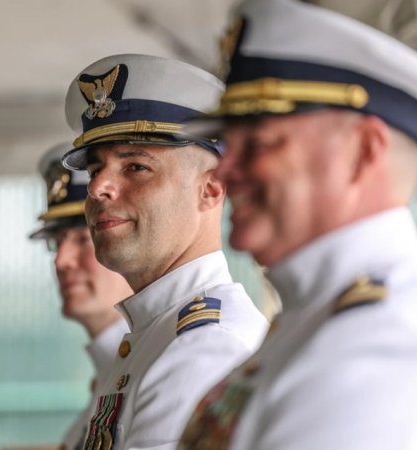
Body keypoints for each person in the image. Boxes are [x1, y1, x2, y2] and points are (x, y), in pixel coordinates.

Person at [177, 1, 417, 449]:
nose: (224, 173)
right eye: (229, 144)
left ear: (363, 152)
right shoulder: (329, 311)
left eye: (259, 143)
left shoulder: (387, 344)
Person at [59, 53, 268, 450]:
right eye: (94, 169)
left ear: (211, 189)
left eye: (136, 167)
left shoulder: (205, 346)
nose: (97, 187)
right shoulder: (159, 332)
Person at [28, 143, 133, 450]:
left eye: (83, 239)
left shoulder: (157, 359)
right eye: (57, 243)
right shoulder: (111, 372)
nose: (61, 261)